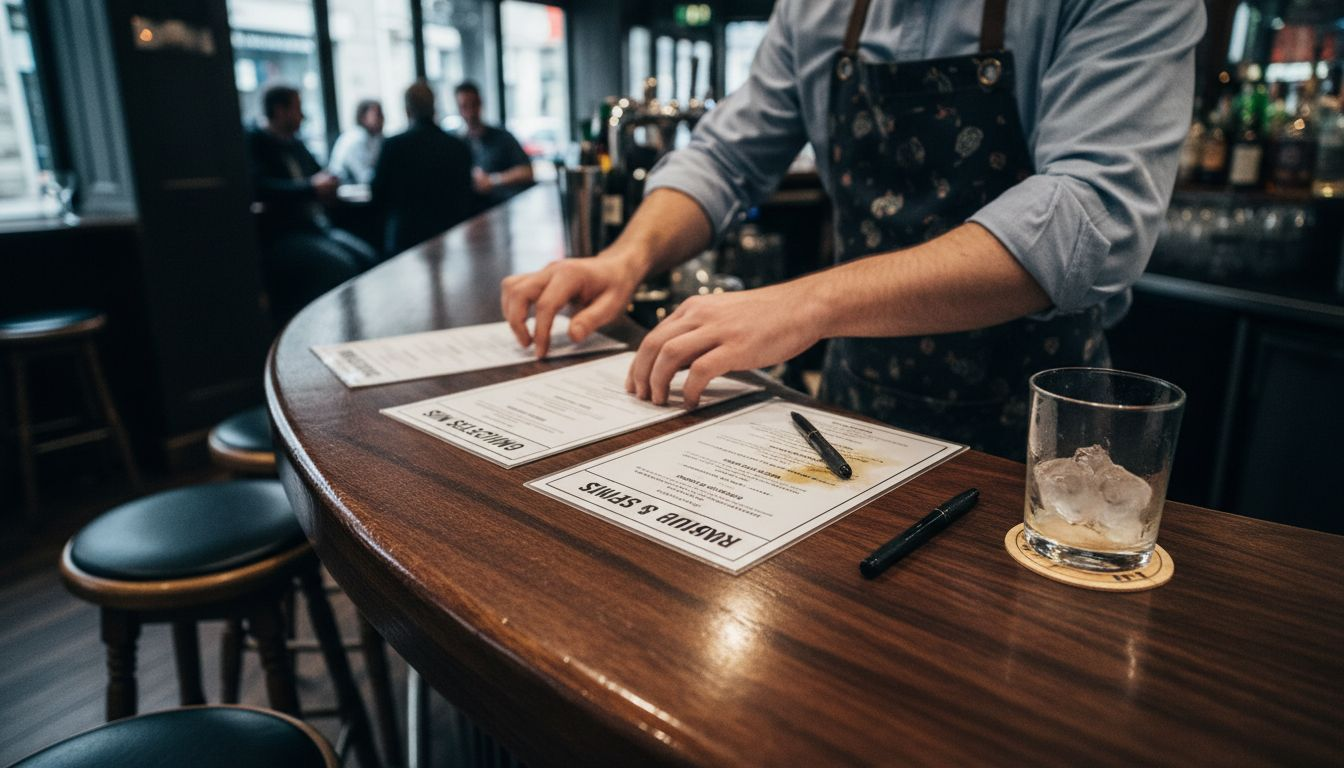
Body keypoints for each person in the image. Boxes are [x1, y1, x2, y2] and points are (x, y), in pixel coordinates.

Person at [500, 0, 1206, 460]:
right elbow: (724, 156)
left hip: (1033, 424)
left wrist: (804, 303)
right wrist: (627, 258)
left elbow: (1088, 215)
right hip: (854, 403)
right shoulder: (815, 10)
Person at [247, 84, 379, 322]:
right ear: (279, 110)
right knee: (342, 267)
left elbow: (318, 173)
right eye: (298, 108)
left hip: (316, 229)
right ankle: (331, 331)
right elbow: (261, 189)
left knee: (369, 258)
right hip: (284, 235)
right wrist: (311, 188)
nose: (303, 115)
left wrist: (329, 181)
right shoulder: (256, 142)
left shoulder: (296, 143)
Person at [371, 81, 478, 255]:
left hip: (404, 239)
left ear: (407, 110)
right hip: (451, 236)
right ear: (434, 107)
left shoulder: (393, 146)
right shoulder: (457, 146)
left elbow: (377, 193)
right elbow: (467, 194)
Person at [453, 81, 534, 203]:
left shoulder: (503, 138)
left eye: (474, 104)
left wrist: (492, 180)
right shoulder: (456, 144)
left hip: (501, 207)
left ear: (480, 104)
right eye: (464, 106)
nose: (470, 112)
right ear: (459, 109)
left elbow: (527, 171)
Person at [328, 99, 384, 184]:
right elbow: (363, 177)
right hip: (344, 188)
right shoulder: (355, 139)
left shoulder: (375, 137)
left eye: (382, 114)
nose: (382, 119)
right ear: (363, 117)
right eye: (378, 115)